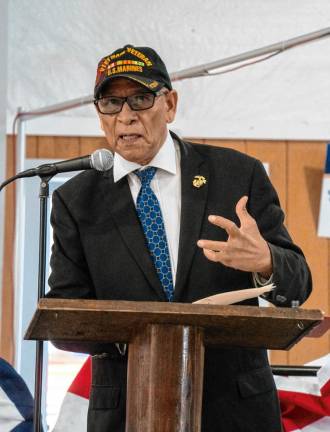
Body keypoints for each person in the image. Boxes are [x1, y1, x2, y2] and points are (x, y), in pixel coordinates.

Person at [47, 44, 312, 431]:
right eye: (111, 103)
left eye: (140, 99)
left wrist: (266, 262)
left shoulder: (238, 175)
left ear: (169, 104)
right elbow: (67, 312)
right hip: (127, 408)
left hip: (234, 408)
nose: (126, 116)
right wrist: (143, 336)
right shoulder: (75, 200)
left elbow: (299, 285)